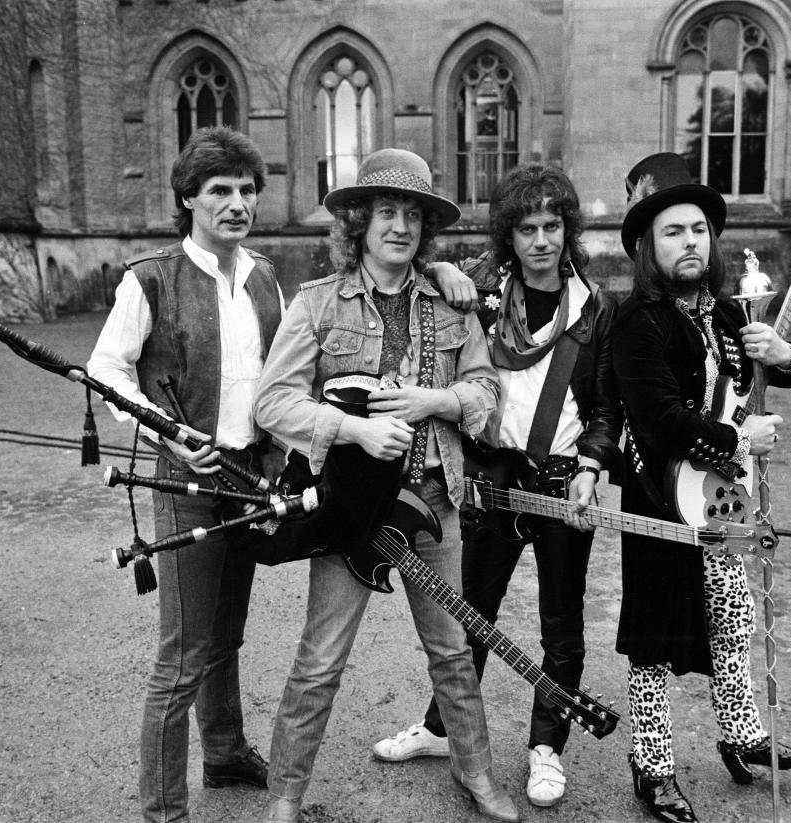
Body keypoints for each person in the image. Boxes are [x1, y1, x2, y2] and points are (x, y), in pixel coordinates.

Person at [251, 148, 516, 823]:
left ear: (426, 230)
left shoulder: (453, 304)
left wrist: (439, 401)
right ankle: (283, 796)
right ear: (361, 222)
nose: (399, 226)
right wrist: (352, 429)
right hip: (354, 506)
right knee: (320, 659)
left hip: (436, 499)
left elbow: (488, 396)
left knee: (453, 653)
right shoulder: (316, 303)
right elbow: (273, 403)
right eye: (386, 212)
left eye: (412, 215)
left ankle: (477, 773)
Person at [369, 164, 622, 809]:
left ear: (569, 230)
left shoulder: (596, 311)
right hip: (490, 479)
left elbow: (605, 409)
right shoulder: (479, 290)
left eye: (552, 226)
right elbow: (407, 273)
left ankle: (546, 747)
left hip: (565, 480)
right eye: (526, 227)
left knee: (561, 625)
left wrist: (592, 467)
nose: (541, 240)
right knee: (467, 616)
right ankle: (439, 729)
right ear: (508, 235)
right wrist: (443, 271)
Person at [610, 152, 791, 823]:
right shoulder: (636, 321)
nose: (689, 241)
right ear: (648, 246)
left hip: (724, 497)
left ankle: (741, 735)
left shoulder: (726, 313)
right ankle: (653, 767)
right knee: (654, 637)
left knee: (732, 617)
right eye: (672, 231)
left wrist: (784, 356)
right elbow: (660, 421)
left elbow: (775, 367)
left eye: (698, 229)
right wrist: (739, 440)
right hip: (659, 497)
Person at [86, 126, 283, 823]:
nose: (238, 203)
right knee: (181, 656)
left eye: (247, 190)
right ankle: (163, 809)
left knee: (226, 637)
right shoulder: (151, 278)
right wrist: (167, 430)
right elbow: (105, 371)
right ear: (189, 199)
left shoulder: (262, 277)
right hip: (185, 483)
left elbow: (280, 382)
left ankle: (225, 753)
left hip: (248, 477)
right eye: (221, 190)